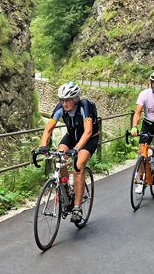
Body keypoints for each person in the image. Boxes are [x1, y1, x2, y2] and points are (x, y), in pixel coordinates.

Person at [38, 82, 100, 223]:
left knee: (78, 166)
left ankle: (77, 207)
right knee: (58, 158)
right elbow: (48, 129)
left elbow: (88, 131)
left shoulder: (85, 106)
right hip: (71, 136)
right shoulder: (60, 108)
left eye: (68, 100)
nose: (64, 104)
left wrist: (77, 149)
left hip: (89, 138)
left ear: (76, 99)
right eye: (62, 100)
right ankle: (66, 188)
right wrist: (43, 146)